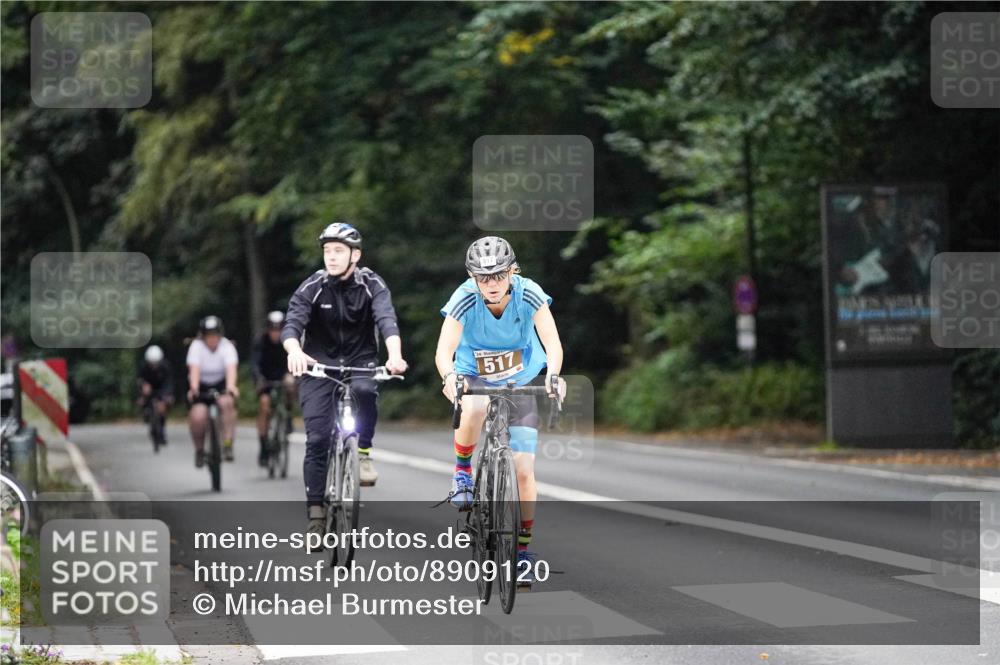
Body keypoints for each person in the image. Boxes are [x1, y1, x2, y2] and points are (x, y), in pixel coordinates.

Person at [435, 236, 566, 588]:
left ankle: (523, 552)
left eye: (498, 276)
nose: (491, 284)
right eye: (483, 277)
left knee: (524, 471)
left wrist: (553, 375)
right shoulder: (464, 298)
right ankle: (463, 471)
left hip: (519, 379)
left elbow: (552, 343)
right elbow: (443, 350)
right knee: (475, 404)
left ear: (512, 271)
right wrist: (449, 376)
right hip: (474, 373)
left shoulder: (529, 293)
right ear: (472, 277)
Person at [282, 222, 408, 544]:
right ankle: (316, 515)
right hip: (318, 365)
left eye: (339, 251)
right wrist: (295, 351)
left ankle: (363, 452)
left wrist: (394, 356)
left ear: (356, 255)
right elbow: (293, 323)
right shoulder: (314, 286)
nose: (331, 257)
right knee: (318, 437)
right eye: (327, 251)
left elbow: (386, 319)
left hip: (360, 360)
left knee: (366, 391)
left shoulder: (371, 284)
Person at [186, 316, 239, 466]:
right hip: (201, 386)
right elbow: (194, 369)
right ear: (203, 336)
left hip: (221, 384)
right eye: (208, 335)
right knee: (198, 417)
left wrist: (231, 387)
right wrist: (194, 388)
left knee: (227, 403)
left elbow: (231, 369)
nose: (212, 339)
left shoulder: (227, 346)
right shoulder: (196, 347)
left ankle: (227, 443)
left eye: (214, 335)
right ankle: (200, 450)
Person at [252, 310, 297, 467]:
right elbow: (255, 363)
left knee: (291, 386)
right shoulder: (261, 341)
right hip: (265, 378)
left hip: (283, 375)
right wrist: (258, 378)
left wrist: (290, 375)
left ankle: (288, 414)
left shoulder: (289, 342)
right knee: (265, 405)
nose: (275, 334)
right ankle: (264, 445)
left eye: (279, 330)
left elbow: (294, 360)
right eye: (273, 330)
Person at [137, 345, 174, 445]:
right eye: (151, 363)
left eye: (156, 363)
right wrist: (143, 387)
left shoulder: (165, 366)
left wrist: (168, 395)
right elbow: (140, 380)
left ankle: (161, 431)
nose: (154, 366)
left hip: (162, 389)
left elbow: (169, 382)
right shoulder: (143, 367)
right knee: (143, 401)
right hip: (148, 389)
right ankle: (146, 414)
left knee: (163, 407)